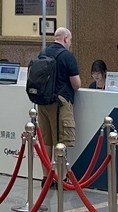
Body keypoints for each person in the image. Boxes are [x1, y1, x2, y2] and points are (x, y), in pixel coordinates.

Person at [37, 27, 81, 158]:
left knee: (46, 140)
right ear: (66, 38)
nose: (70, 43)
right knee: (60, 142)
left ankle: (47, 171)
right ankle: (59, 171)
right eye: (70, 40)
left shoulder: (43, 53)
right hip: (60, 103)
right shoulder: (67, 56)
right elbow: (76, 84)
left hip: (42, 101)